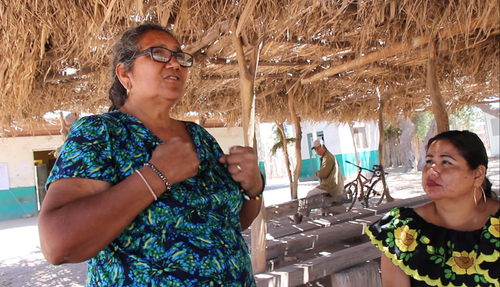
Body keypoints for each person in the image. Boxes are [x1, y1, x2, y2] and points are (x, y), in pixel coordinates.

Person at [38, 24, 264, 286]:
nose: (175, 63)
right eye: (158, 53)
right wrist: (157, 176)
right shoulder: (100, 133)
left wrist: (254, 190)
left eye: (180, 56)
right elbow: (57, 244)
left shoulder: (200, 137)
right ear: (125, 74)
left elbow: (232, 223)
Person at [366, 130, 499, 287]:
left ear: (477, 175)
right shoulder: (402, 230)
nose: (431, 170)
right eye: (429, 161)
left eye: (446, 162)